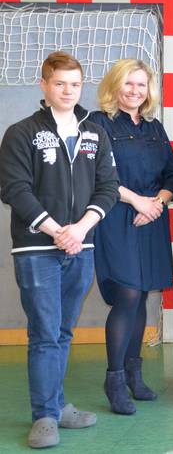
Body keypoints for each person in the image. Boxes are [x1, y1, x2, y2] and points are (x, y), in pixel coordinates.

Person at [0, 51, 119, 448]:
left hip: (80, 246)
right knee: (45, 334)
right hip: (37, 249)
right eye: (59, 83)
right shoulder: (21, 133)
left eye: (75, 84)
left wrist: (80, 229)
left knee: (64, 332)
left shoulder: (95, 133)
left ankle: (57, 404)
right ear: (44, 85)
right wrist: (56, 231)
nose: (68, 91)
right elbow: (14, 189)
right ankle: (44, 416)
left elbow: (108, 187)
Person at [92, 59, 173, 415]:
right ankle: (113, 378)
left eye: (141, 85)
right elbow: (98, 175)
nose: (134, 91)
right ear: (114, 86)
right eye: (128, 84)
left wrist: (157, 203)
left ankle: (134, 375)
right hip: (116, 217)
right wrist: (138, 201)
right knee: (127, 293)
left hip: (151, 219)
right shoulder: (98, 124)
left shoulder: (154, 127)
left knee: (142, 295)